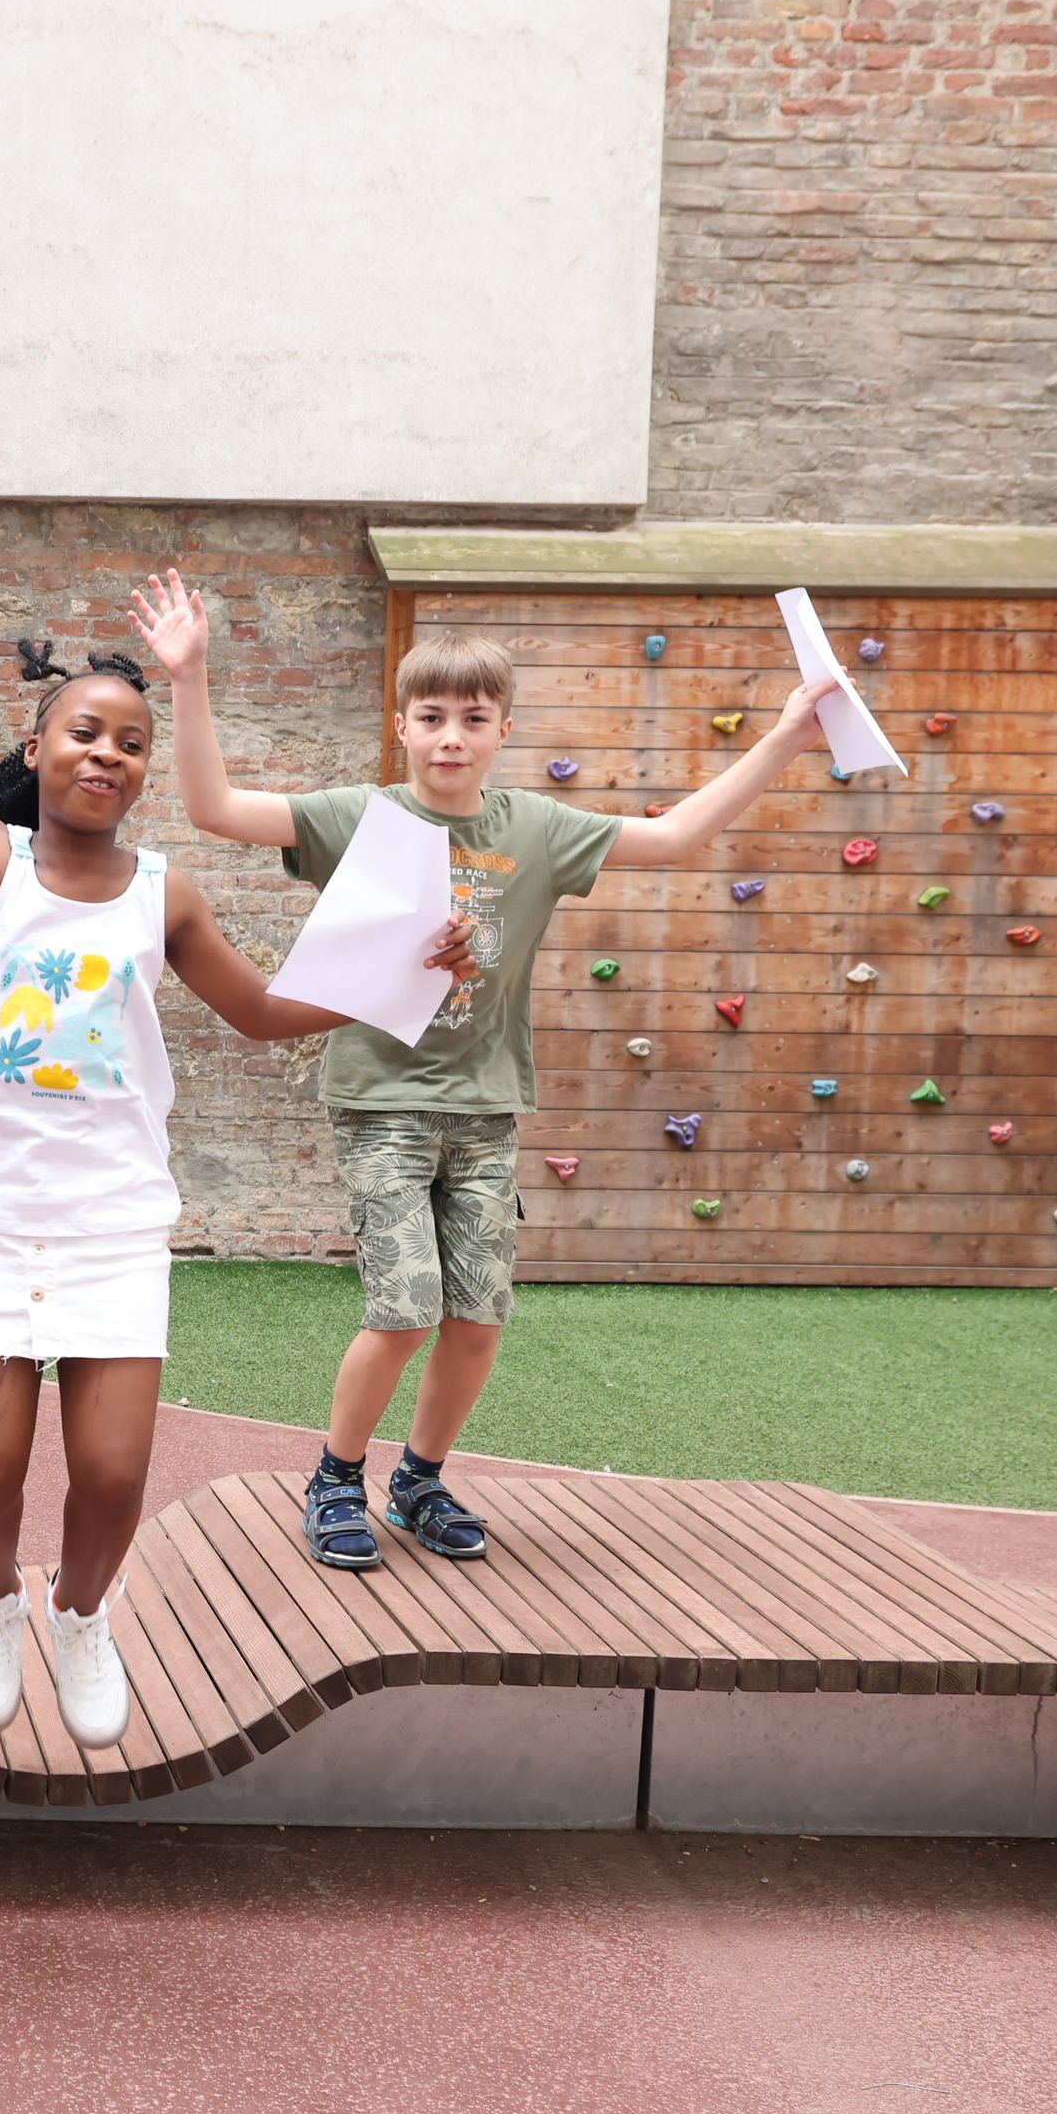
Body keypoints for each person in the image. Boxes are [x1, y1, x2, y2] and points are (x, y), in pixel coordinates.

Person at [0, 511, 351, 1744]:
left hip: (112, 1224)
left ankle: (80, 1617)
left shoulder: (164, 895)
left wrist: (399, 973)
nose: (109, 756)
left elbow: (255, 1011)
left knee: (113, 1476)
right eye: (85, 733)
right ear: (36, 747)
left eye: (131, 745)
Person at [153, 588, 825, 1570]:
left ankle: (417, 1478)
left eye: (473, 719)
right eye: (431, 718)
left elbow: (675, 837)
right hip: (382, 1104)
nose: (451, 737)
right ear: (402, 725)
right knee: (406, 1307)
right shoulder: (360, 818)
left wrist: (784, 741)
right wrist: (190, 676)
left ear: (504, 729)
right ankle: (336, 1476)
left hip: (485, 1111)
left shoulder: (539, 830)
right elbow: (213, 810)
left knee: (476, 1317)